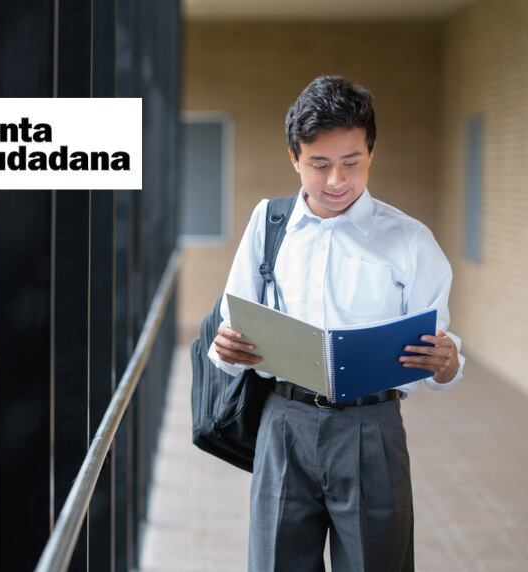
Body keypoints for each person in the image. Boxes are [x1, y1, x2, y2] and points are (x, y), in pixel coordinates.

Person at [207, 75, 465, 572]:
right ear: (293, 158)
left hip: (372, 431)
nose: (336, 181)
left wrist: (447, 361)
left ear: (371, 152)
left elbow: (440, 358)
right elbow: (229, 330)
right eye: (318, 165)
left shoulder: (410, 240)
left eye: (352, 163)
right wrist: (227, 349)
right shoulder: (268, 224)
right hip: (284, 424)